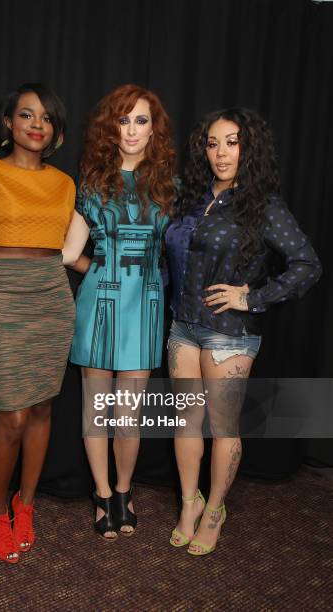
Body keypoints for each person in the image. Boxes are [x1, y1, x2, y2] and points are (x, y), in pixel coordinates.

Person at [165, 108, 321, 556]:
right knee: (186, 423)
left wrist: (250, 297)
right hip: (183, 328)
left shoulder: (262, 204)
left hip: (229, 335)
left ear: (248, 147)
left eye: (231, 142)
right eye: (212, 143)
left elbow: (307, 265)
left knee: (223, 427)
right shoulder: (193, 198)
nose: (221, 153)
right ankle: (189, 503)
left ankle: (215, 510)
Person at [0, 83, 76, 563]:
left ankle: (27, 504)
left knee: (43, 410)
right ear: (9, 123)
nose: (36, 124)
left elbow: (65, 248)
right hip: (1, 295)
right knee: (12, 416)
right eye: (26, 115)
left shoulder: (64, 184)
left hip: (51, 296)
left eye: (46, 117)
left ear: (56, 128)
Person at [62, 84, 176, 540]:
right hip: (99, 305)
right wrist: (102, 267)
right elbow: (70, 253)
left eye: (141, 120)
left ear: (154, 130)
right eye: (124, 120)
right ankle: (103, 494)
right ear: (112, 127)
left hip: (146, 306)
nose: (131, 129)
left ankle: (125, 492)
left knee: (128, 414)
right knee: (98, 411)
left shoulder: (170, 186)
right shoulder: (93, 183)